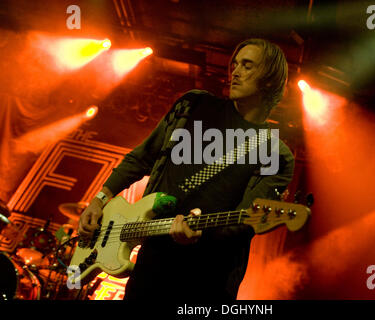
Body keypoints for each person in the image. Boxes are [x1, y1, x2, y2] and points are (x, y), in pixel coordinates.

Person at [78, 38, 295, 300]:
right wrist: (100, 199)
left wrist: (198, 237)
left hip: (207, 281)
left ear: (270, 79)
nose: (235, 72)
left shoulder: (276, 155)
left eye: (247, 66)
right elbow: (142, 156)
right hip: (151, 263)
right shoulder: (193, 106)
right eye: (235, 64)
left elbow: (243, 223)